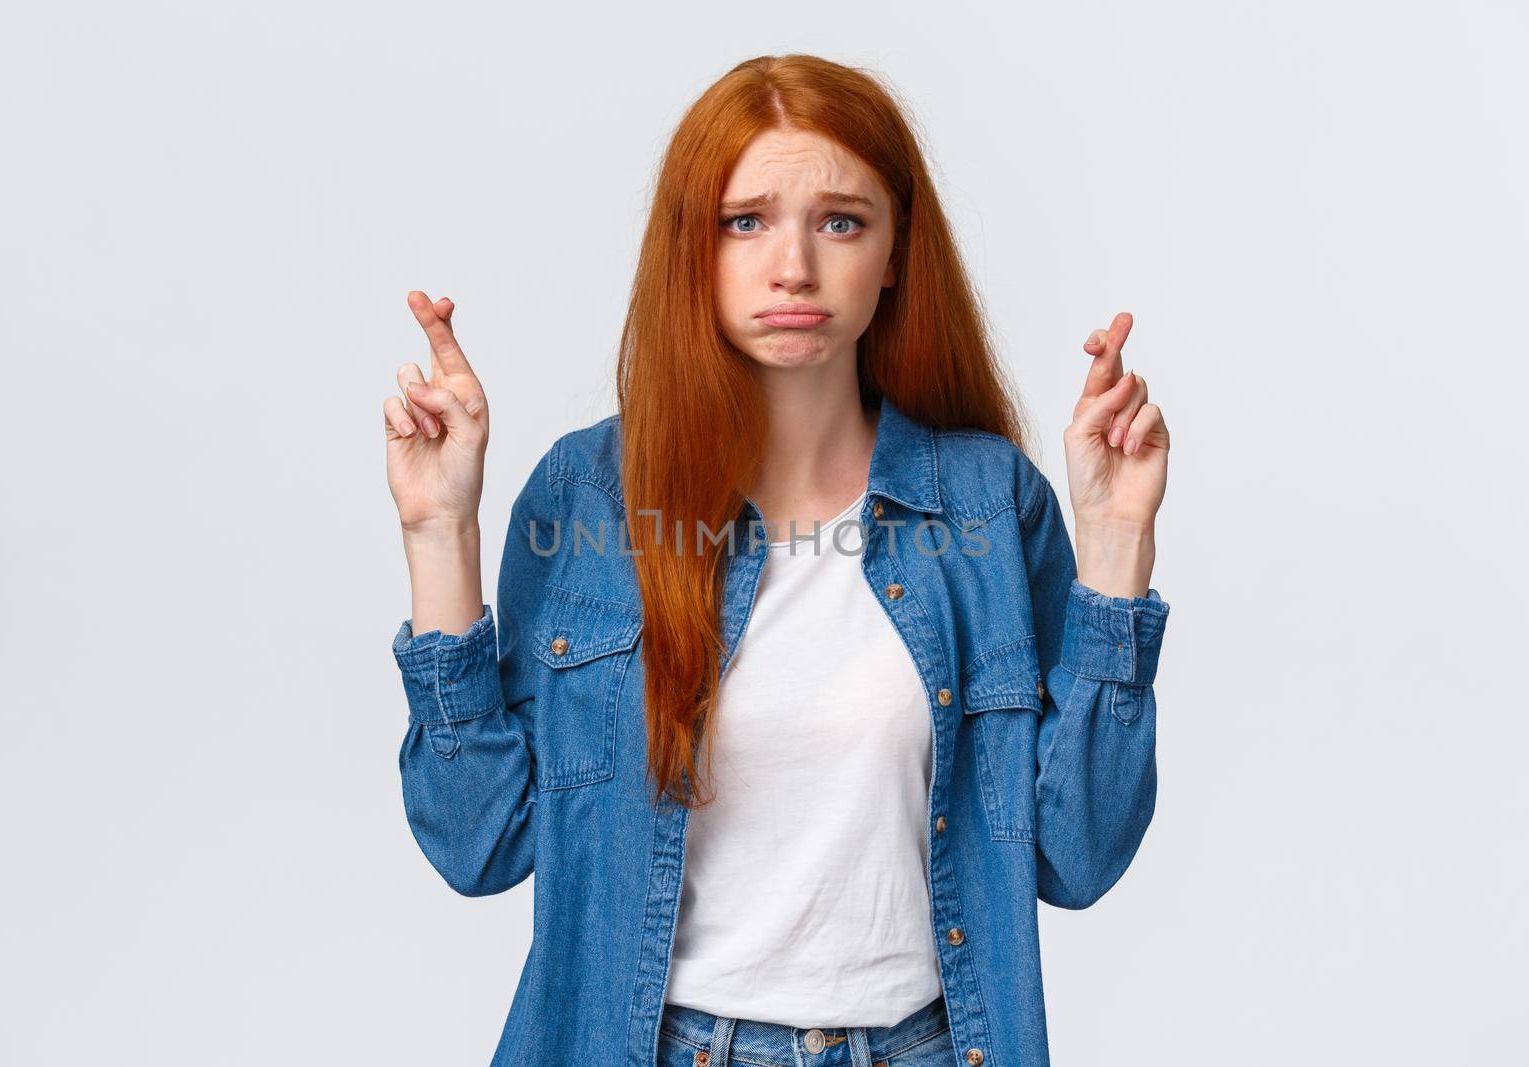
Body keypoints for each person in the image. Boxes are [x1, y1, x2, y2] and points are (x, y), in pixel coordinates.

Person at [382, 54, 1172, 1067]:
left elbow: (1078, 852)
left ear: (893, 252)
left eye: (840, 220)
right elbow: (478, 841)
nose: (792, 265)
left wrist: (1114, 546)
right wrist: (438, 529)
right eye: (744, 220)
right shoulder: (590, 495)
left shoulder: (986, 501)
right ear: (691, 252)